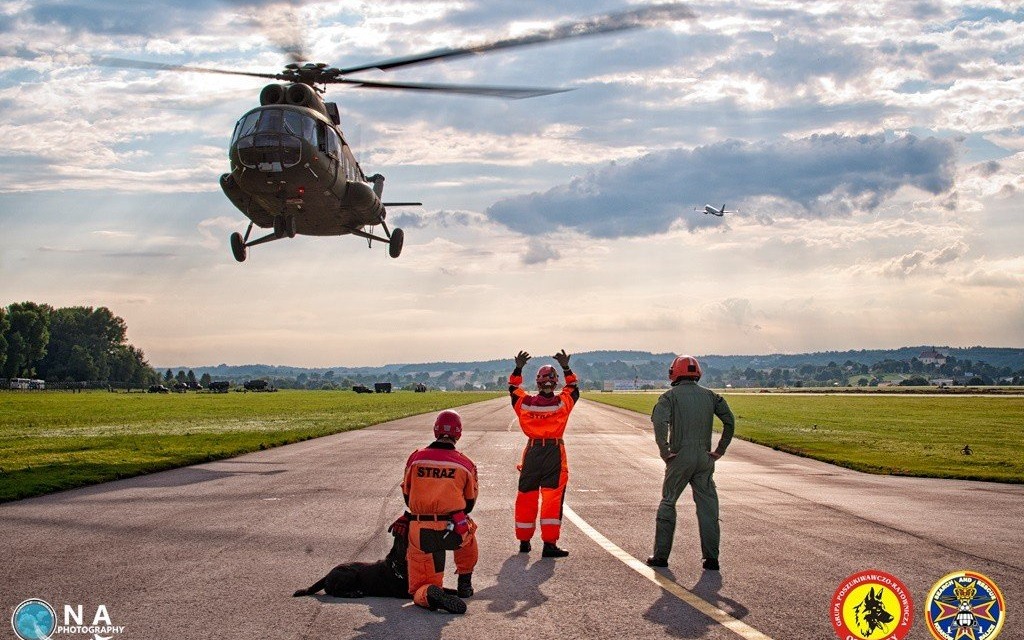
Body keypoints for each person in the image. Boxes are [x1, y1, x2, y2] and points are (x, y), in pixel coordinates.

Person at [646, 355, 735, 571]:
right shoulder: (711, 396)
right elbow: (729, 422)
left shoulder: (669, 397)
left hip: (679, 457)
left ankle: (661, 556)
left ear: (674, 372)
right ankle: (711, 558)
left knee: (668, 501)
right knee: (708, 508)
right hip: (704, 457)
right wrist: (719, 450)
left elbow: (660, 422)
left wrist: (665, 451)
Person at [402, 410, 479, 613]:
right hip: (453, 529)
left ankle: (430, 592)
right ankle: (465, 583)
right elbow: (469, 504)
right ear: (458, 434)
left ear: (436, 430)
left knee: (420, 587)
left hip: (422, 530)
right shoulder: (466, 464)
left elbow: (407, 496)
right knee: (469, 533)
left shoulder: (415, 459)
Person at [509, 349, 579, 558]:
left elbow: (513, 388)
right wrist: (566, 367)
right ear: (555, 383)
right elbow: (573, 388)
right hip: (554, 451)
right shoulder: (562, 403)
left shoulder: (525, 403)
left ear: (538, 383)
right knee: (552, 498)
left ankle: (524, 541)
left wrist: (518, 368)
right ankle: (549, 545)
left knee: (526, 496)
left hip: (532, 451)